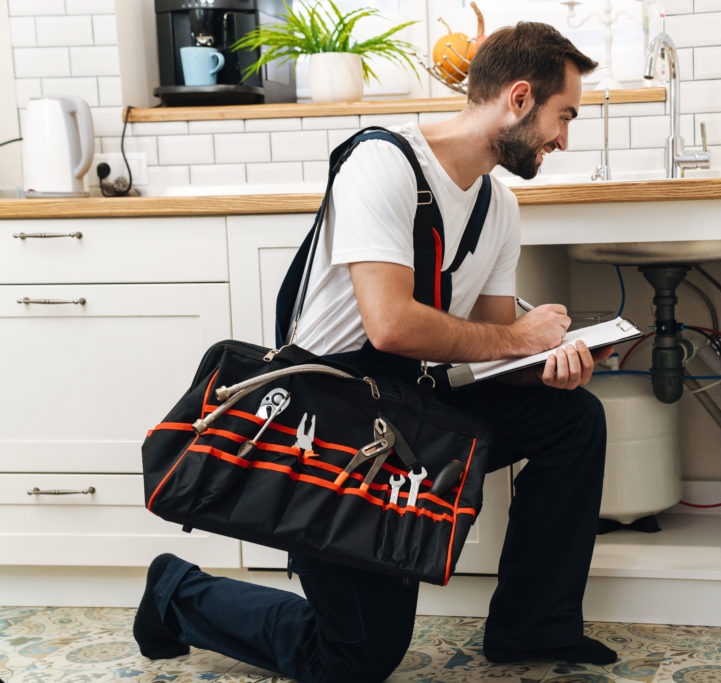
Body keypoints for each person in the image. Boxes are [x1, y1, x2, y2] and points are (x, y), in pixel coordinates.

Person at [133, 21, 618, 683]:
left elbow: (499, 343)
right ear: (520, 97)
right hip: (334, 416)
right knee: (353, 659)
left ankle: (532, 626)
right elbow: (389, 325)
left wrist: (551, 360)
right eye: (564, 116)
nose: (565, 137)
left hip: (416, 397)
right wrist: (520, 340)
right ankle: (176, 592)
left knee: (572, 418)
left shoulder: (498, 206)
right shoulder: (383, 165)